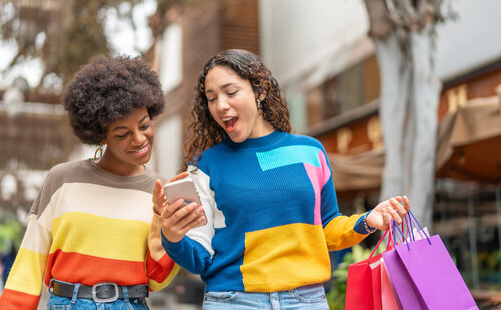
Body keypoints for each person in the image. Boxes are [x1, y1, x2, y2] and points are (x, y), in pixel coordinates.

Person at [156, 49, 410, 309]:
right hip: (233, 301)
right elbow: (200, 258)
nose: (220, 105)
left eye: (230, 92)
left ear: (260, 90)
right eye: (212, 98)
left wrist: (367, 221)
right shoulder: (206, 166)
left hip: (307, 301)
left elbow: (327, 229)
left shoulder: (310, 152)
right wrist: (172, 238)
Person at [0, 56, 181, 310]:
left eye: (144, 125)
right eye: (122, 134)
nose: (139, 139)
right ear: (100, 136)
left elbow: (157, 280)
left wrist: (173, 235)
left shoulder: (162, 190)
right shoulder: (61, 179)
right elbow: (29, 264)